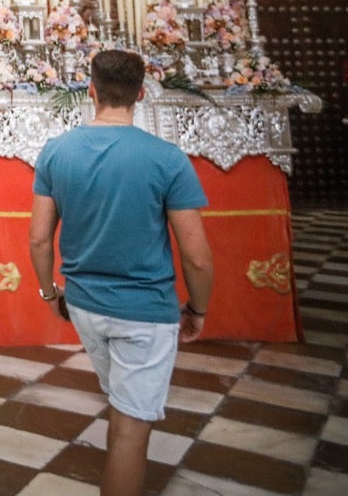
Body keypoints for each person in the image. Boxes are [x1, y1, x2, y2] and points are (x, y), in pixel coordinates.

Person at [29, 49, 213, 496]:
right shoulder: (166, 158)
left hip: (85, 306)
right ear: (142, 94)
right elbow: (197, 257)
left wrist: (50, 293)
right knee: (133, 429)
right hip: (145, 312)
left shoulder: (56, 151)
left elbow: (38, 239)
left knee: (122, 409)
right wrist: (198, 308)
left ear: (91, 91)